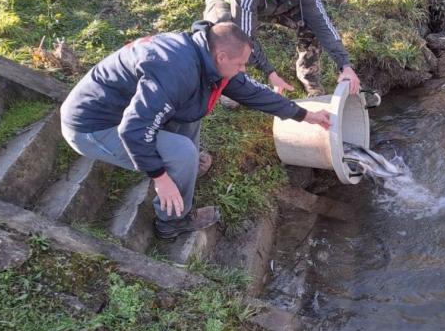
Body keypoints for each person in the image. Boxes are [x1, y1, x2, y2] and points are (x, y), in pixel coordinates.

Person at [60, 21, 330, 239]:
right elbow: (134, 130)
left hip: (124, 112)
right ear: (221, 56)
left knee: (192, 114)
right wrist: (160, 178)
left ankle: (185, 170)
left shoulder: (204, 55)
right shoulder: (176, 71)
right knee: (181, 153)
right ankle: (173, 222)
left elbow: (251, 92)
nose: (243, 70)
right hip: (93, 128)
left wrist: (305, 115)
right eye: (240, 64)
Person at [203, 0, 361, 103]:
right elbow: (245, 38)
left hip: (274, 2)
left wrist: (345, 65)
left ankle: (309, 77)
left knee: (311, 24)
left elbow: (323, 25)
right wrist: (270, 73)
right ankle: (232, 82)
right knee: (225, 36)